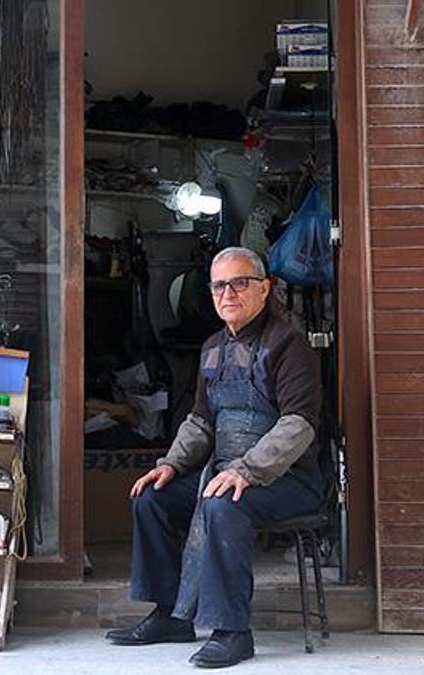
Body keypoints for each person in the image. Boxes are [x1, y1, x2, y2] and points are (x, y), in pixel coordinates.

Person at [106, 247, 324, 668]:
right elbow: (200, 422)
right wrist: (170, 464)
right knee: (152, 498)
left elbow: (298, 425)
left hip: (290, 480)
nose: (228, 293)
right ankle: (170, 615)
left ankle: (232, 631)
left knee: (224, 505)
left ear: (265, 288)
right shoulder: (211, 348)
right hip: (224, 472)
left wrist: (247, 470)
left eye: (240, 283)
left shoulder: (289, 345)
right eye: (219, 285)